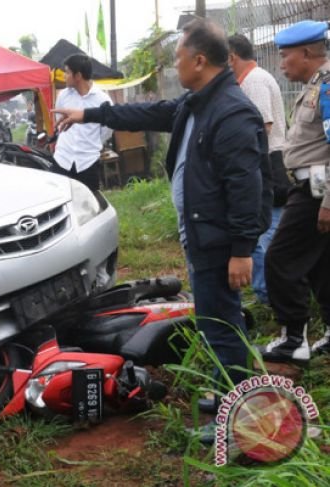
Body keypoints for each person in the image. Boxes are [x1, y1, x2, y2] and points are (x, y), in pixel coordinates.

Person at [54, 18, 269, 440]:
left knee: (220, 322)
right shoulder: (198, 102)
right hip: (201, 232)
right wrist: (88, 113)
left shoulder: (230, 111)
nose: (175, 66)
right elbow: (149, 112)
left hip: (219, 239)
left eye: (178, 58)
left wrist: (242, 249)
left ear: (200, 61)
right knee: (215, 319)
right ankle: (230, 391)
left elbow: (247, 184)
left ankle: (236, 418)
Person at [260, 20, 330, 363]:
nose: (281, 63)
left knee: (280, 259)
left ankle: (293, 339)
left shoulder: (328, 86)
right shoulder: (316, 85)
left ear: (306, 53)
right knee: (323, 264)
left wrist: (329, 203)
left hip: (319, 192)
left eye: (285, 56)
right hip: (310, 187)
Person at [228, 34, 291, 305]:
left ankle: (276, 295)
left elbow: (263, 126)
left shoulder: (254, 81)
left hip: (269, 162)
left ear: (232, 57)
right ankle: (268, 292)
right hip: (265, 161)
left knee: (269, 235)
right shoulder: (253, 79)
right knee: (263, 232)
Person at [52, 54, 113, 192]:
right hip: (62, 160)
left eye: (67, 72)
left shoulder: (103, 100)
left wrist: (92, 144)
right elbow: (59, 122)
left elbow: (107, 130)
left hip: (88, 163)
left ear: (78, 76)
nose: (64, 76)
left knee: (88, 207)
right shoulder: (63, 96)